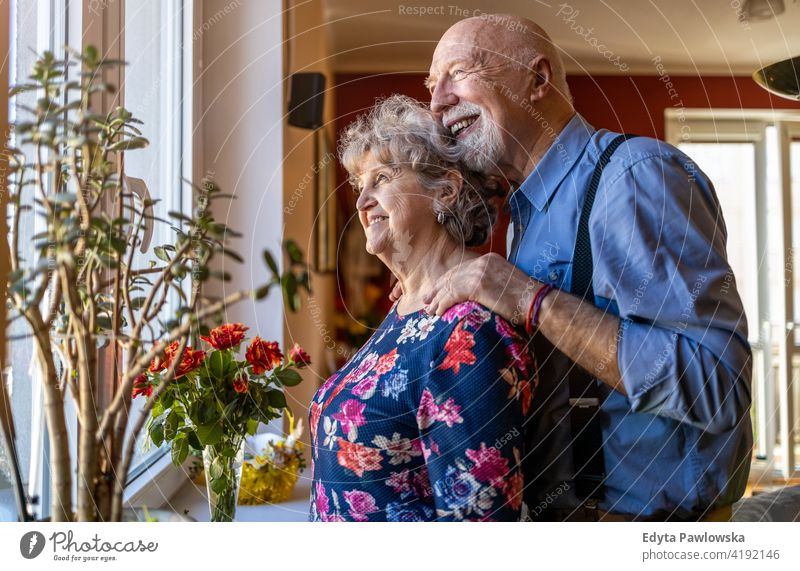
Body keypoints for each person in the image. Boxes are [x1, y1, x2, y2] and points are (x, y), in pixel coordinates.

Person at [414, 14, 752, 521]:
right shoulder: (522, 217)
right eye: (431, 85)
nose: (436, 101)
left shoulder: (634, 177)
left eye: (457, 72)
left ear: (538, 78)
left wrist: (533, 301)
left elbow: (719, 387)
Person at [308, 95, 534, 522]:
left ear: (444, 191)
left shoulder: (469, 328)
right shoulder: (408, 306)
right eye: (360, 186)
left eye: (383, 178)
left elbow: (478, 521)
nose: (362, 202)